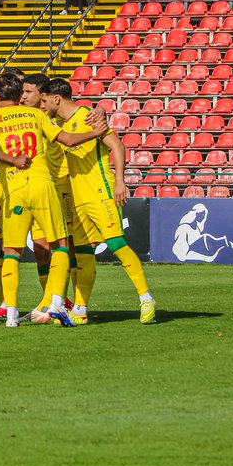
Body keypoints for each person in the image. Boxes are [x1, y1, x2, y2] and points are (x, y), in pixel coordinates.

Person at [0, 73, 106, 327]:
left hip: (14, 189)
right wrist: (96, 132)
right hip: (42, 184)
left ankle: (12, 312)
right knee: (59, 244)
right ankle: (57, 303)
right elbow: (68, 139)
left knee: (11, 252)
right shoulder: (37, 115)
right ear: (19, 96)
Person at [40, 77, 156, 325]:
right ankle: (80, 308)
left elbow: (116, 144)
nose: (42, 105)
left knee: (116, 244)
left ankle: (146, 297)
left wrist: (120, 181)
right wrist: (101, 107)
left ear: (56, 98)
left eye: (44, 100)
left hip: (99, 192)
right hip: (78, 198)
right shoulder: (63, 122)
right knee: (83, 254)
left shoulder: (87, 117)